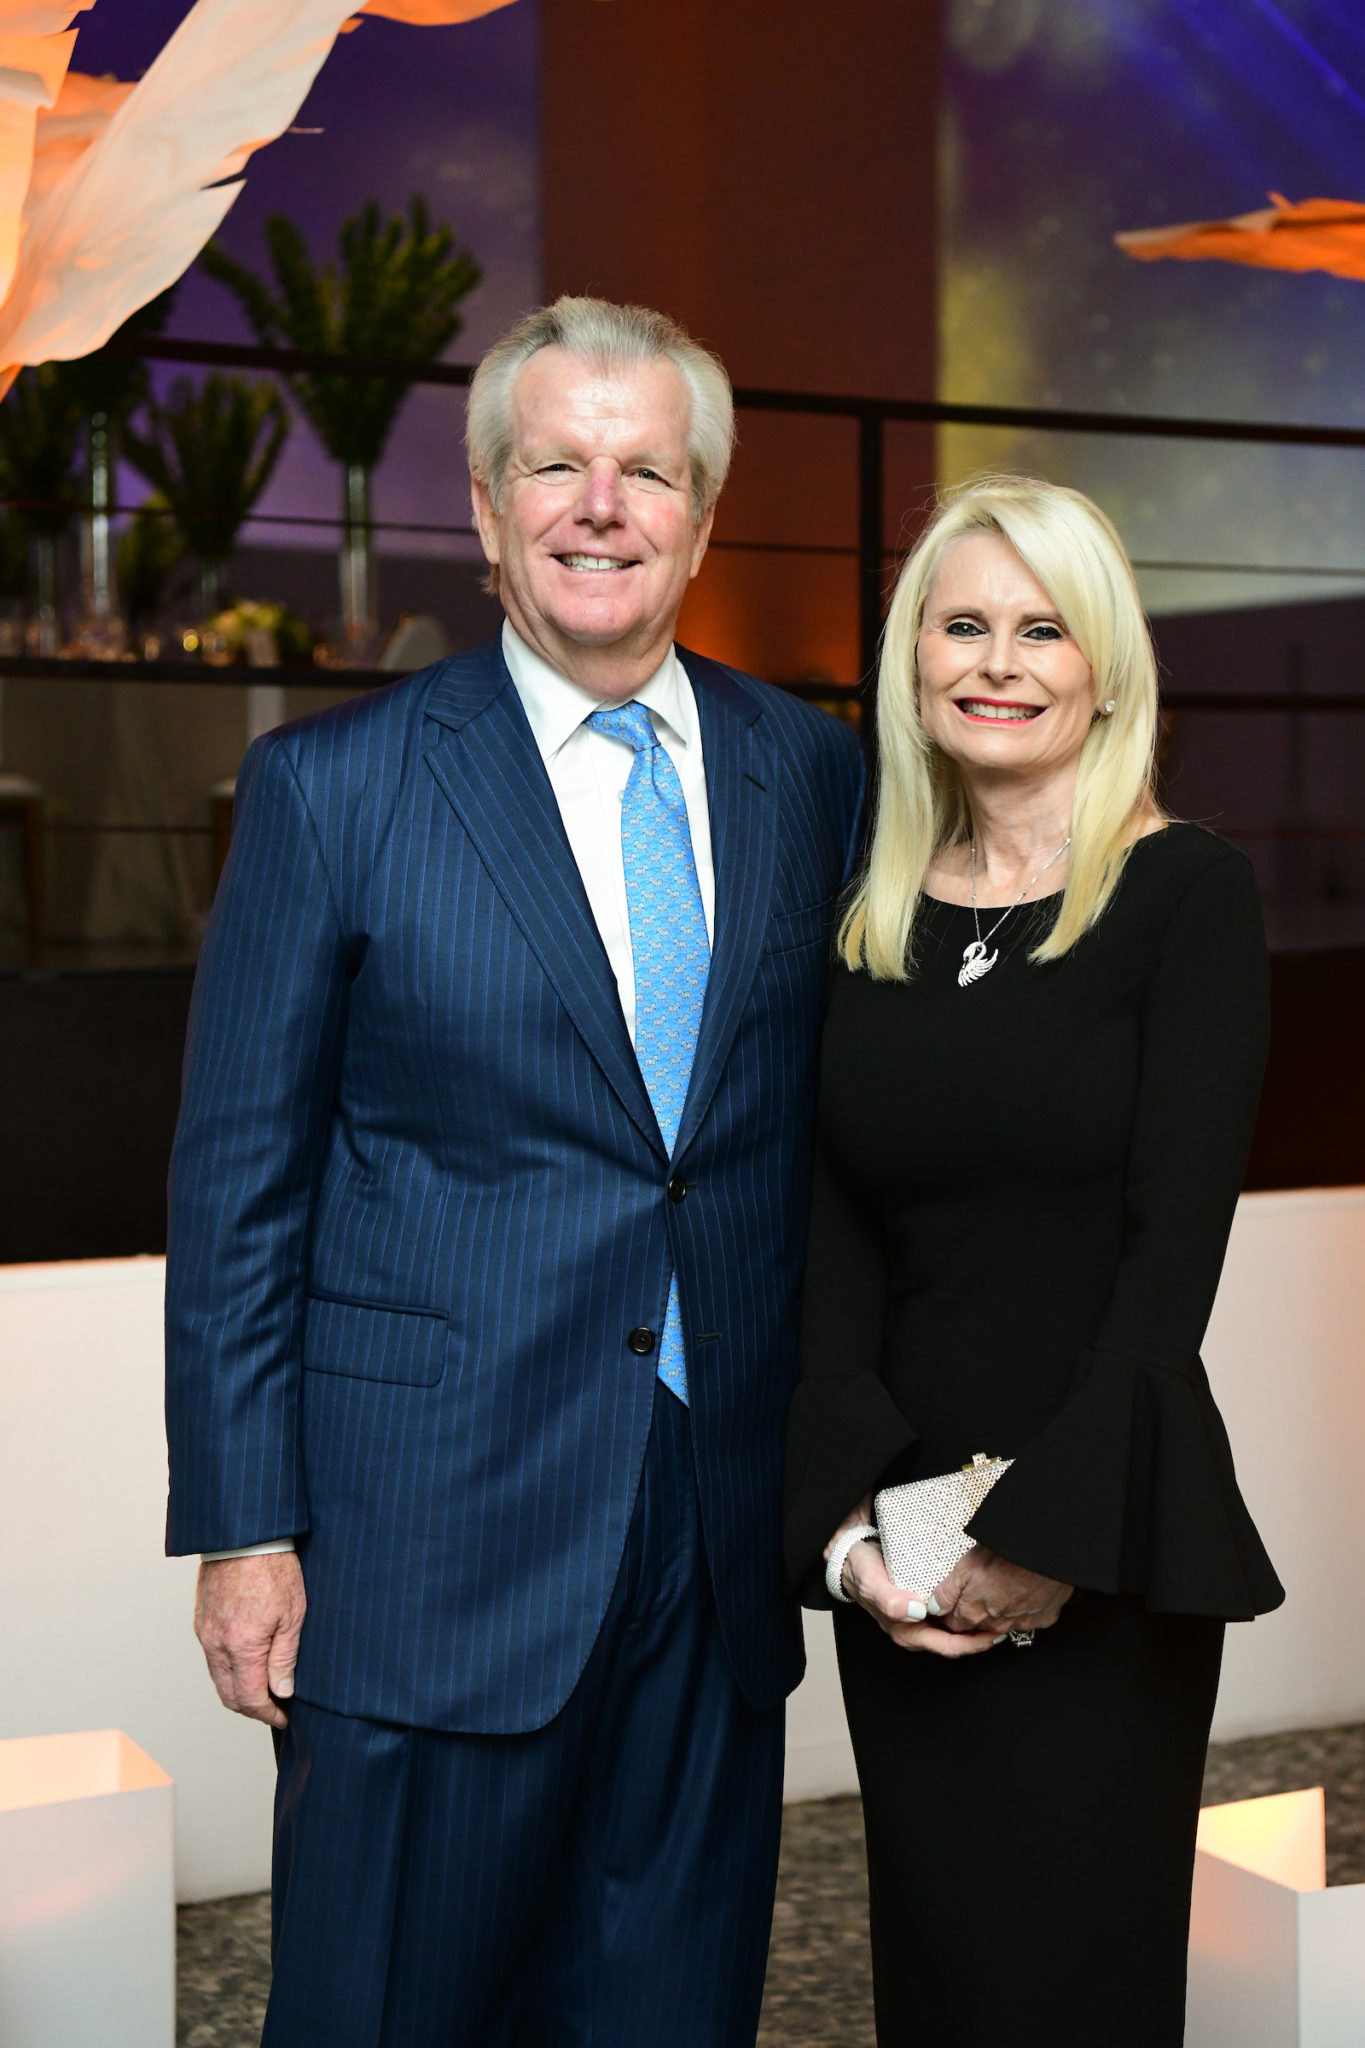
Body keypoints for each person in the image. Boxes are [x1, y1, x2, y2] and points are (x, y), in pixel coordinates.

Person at [165, 295, 864, 2048]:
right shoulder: (333, 789)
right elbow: (237, 1185)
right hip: (424, 1537)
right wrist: (244, 1527)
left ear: (702, 517)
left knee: (668, 2008)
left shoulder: (815, 774)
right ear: (482, 509)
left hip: (711, 1531)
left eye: (645, 469)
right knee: (387, 2011)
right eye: (553, 462)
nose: (597, 504)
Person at [783, 474, 1283, 2047]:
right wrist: (852, 1531)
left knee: (1069, 1968)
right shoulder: (868, 911)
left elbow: (1169, 1259)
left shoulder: (1182, 893)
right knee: (936, 1963)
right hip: (905, 1530)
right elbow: (836, 1233)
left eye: (1040, 629)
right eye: (962, 624)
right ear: (912, 658)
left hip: (1098, 1525)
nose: (997, 661)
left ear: (1103, 668)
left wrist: (1040, 1536)